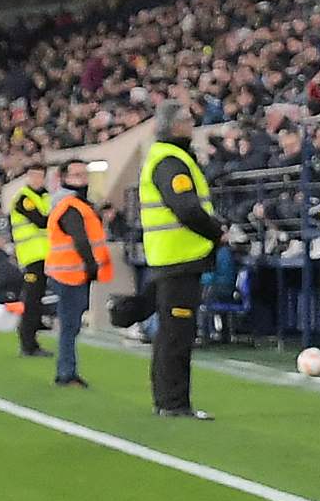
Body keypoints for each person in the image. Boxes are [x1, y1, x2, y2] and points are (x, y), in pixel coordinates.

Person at [133, 98, 221, 418]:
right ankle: (173, 402)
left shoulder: (167, 157)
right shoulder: (170, 161)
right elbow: (185, 208)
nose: (192, 126)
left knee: (172, 333)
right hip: (179, 257)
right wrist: (217, 232)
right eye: (187, 120)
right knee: (176, 335)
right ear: (175, 125)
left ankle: (168, 401)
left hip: (173, 258)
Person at [40, 160, 112, 390]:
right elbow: (80, 239)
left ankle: (67, 370)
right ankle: (66, 373)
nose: (82, 179)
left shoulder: (75, 204)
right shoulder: (71, 206)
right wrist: (91, 265)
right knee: (70, 326)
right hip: (70, 273)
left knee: (71, 325)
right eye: (76, 174)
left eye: (84, 174)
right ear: (64, 178)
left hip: (71, 272)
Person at [4, 163, 54, 356]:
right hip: (32, 255)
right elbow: (42, 221)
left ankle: (31, 341)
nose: (37, 179)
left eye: (40, 176)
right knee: (32, 300)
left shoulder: (46, 197)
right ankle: (28, 344)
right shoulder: (24, 199)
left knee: (37, 299)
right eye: (33, 175)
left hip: (46, 256)